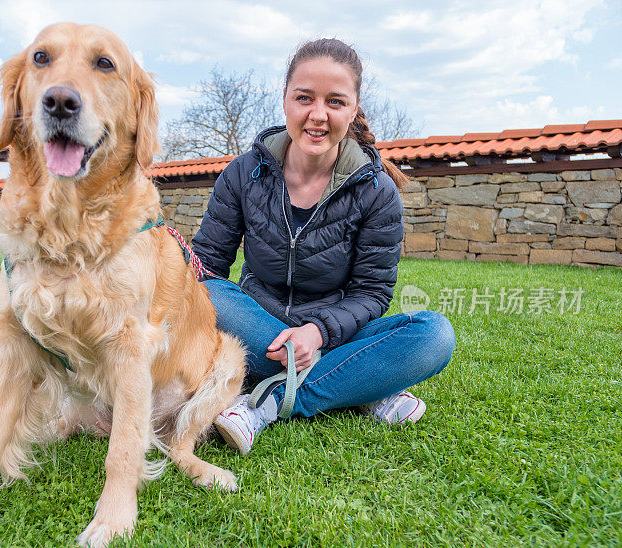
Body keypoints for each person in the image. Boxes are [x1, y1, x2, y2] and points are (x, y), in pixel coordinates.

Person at [191, 39, 456, 455]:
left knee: (435, 334)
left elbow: (372, 293)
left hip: (335, 334)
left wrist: (316, 332)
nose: (318, 115)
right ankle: (360, 389)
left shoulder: (376, 191)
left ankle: (268, 402)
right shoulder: (243, 174)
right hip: (261, 332)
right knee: (205, 291)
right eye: (304, 98)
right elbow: (206, 267)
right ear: (285, 101)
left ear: (353, 108)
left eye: (335, 101)